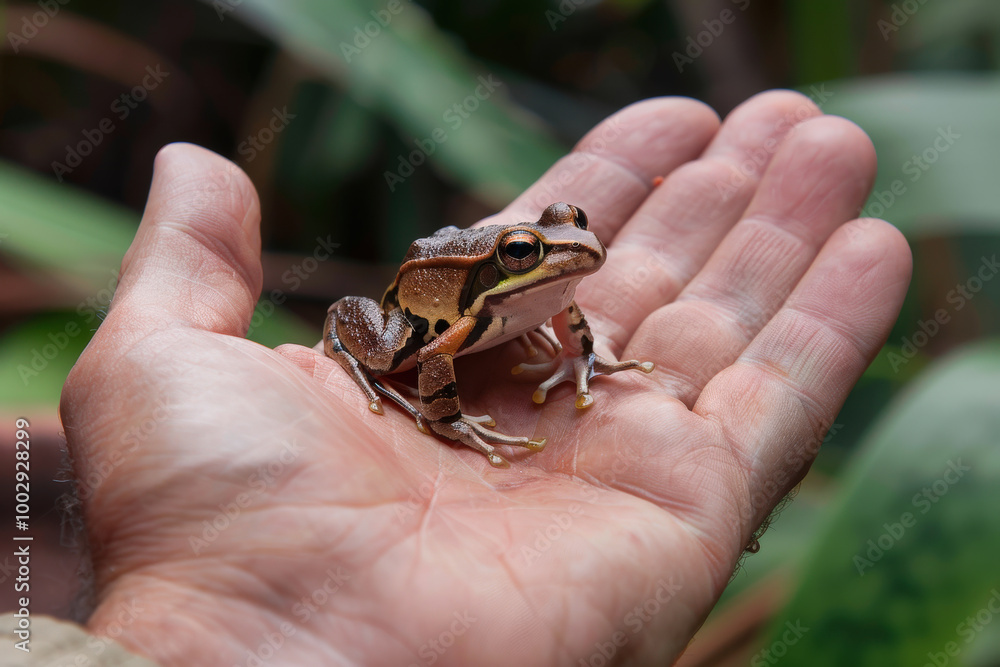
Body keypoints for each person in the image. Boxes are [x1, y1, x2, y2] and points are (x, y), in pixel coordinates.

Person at [53, 91, 911, 666]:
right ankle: (362, 360)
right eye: (530, 253)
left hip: (482, 299)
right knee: (393, 350)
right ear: (504, 262)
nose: (568, 253)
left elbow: (562, 305)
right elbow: (433, 355)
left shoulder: (554, 289)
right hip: (420, 306)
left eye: (563, 237)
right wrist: (449, 419)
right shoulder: (464, 309)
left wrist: (582, 353)